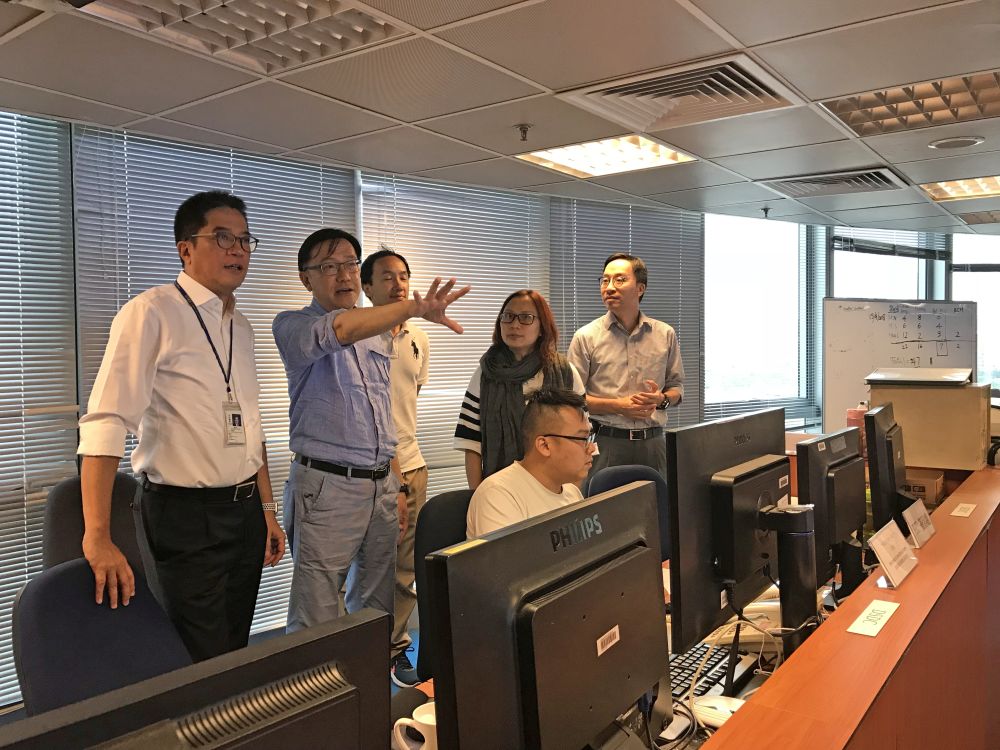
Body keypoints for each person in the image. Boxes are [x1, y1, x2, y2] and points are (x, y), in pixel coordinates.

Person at [78, 190, 286, 662]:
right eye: (223, 237)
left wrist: (268, 509)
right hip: (185, 516)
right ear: (185, 248)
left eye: (245, 240)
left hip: (245, 510)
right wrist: (97, 535)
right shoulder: (151, 312)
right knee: (200, 657)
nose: (238, 250)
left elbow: (251, 429)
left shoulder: (243, 327)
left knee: (235, 645)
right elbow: (107, 421)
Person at [273, 228, 468, 643]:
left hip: (380, 484)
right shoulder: (292, 325)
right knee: (318, 614)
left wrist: (395, 483)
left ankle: (369, 695)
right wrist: (411, 309)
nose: (343, 275)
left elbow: (383, 415)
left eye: (349, 264)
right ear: (306, 278)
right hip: (327, 487)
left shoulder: (379, 334)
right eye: (329, 267)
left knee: (377, 606)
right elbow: (339, 329)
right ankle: (320, 703)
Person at [359, 246, 429, 688]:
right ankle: (362, 654)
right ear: (366, 287)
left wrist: (406, 472)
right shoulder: (355, 338)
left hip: (414, 466)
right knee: (364, 572)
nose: (397, 283)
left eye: (402, 275)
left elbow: (408, 401)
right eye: (386, 276)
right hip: (373, 470)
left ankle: (397, 646)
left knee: (405, 571)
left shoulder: (418, 338)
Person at [568, 253, 684, 478]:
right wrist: (618, 406)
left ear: (640, 288)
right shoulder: (586, 336)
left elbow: (677, 388)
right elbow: (573, 400)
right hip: (605, 443)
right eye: (604, 280)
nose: (609, 287)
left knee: (657, 509)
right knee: (602, 508)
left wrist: (662, 399)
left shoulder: (665, 334)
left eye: (619, 280)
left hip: (653, 443)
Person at [454, 289, 585, 489]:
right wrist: (477, 496)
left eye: (526, 317)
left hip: (556, 487)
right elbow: (471, 443)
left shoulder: (565, 372)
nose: (515, 324)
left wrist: (571, 494)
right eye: (508, 316)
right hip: (501, 489)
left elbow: (583, 439)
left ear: (542, 326)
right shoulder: (485, 373)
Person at [467, 389, 595, 538]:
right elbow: (508, 560)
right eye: (582, 439)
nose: (591, 448)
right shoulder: (498, 494)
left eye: (590, 437)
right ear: (544, 446)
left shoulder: (571, 492)